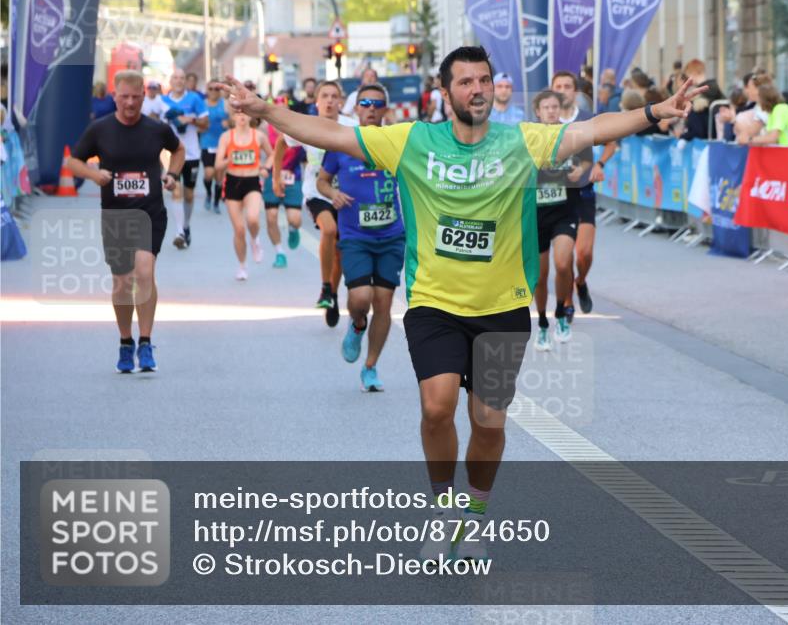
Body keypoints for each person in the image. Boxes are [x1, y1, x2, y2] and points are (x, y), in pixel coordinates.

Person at [216, 44, 703, 563]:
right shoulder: (412, 141)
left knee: (489, 422)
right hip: (435, 303)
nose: (478, 89)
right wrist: (265, 110)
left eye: (484, 80)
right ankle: (443, 507)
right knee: (436, 408)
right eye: (466, 82)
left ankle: (473, 513)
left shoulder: (521, 142)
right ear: (445, 93)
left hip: (503, 306)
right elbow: (332, 134)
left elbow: (591, 130)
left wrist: (654, 112)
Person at [65, 70, 184, 373]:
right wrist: (95, 175)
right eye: (124, 97)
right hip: (116, 215)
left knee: (144, 272)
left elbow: (178, 150)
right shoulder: (100, 130)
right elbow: (73, 162)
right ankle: (125, 341)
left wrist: (172, 175)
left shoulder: (156, 129)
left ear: (144, 97)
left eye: (135, 97)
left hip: (150, 212)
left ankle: (145, 341)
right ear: (114, 97)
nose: (130, 103)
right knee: (122, 281)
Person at [318, 82, 405, 391]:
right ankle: (356, 325)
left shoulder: (398, 143)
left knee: (383, 303)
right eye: (365, 103)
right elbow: (322, 182)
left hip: (392, 236)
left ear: (384, 109)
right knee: (361, 299)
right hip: (355, 235)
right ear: (355, 108)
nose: (370, 108)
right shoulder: (342, 143)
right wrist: (333, 193)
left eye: (377, 104)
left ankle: (370, 367)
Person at [531, 90, 591, 349]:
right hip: (536, 214)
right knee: (541, 275)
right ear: (538, 112)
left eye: (555, 107)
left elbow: (588, 160)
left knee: (563, 264)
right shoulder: (529, 138)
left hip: (565, 210)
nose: (552, 111)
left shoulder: (571, 135)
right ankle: (543, 323)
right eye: (546, 107)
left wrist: (581, 170)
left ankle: (561, 315)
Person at [304, 80, 357, 326]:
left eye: (334, 96)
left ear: (340, 101)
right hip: (317, 192)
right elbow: (284, 142)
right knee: (329, 229)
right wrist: (276, 177)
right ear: (316, 101)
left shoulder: (351, 127)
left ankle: (333, 295)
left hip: (345, 195)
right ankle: (326, 286)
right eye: (324, 95)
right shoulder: (306, 125)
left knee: (340, 251)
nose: (329, 100)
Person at [551, 70, 601, 317]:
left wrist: (600, 165)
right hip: (556, 196)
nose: (562, 90)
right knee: (564, 256)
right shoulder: (545, 121)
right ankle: (568, 301)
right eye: (557, 86)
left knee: (584, 253)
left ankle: (580, 281)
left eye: (567, 86)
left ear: (575, 91)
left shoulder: (586, 118)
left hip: (583, 192)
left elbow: (611, 142)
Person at [214, 109, 273, 280]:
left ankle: (255, 240)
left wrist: (265, 168)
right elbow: (218, 165)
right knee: (239, 230)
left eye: (245, 113)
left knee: (253, 218)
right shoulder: (226, 137)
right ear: (233, 117)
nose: (241, 116)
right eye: (238, 114)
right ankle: (242, 266)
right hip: (232, 182)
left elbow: (272, 154)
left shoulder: (258, 136)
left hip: (252, 181)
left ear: (251, 116)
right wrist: (228, 159)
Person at [161, 68, 208, 250]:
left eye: (182, 78)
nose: (179, 81)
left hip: (192, 153)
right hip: (170, 153)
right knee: (176, 190)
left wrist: (191, 120)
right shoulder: (162, 101)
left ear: (186, 81)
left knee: (188, 195)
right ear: (170, 81)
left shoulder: (195, 99)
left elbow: (206, 124)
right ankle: (179, 231)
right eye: (175, 78)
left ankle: (186, 225)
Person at [265, 100, 306, 269]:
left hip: (292, 178)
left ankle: (292, 229)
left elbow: (306, 158)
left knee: (295, 219)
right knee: (271, 216)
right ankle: (279, 252)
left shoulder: (297, 132)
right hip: (271, 177)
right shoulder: (266, 131)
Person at [746, 82, 788, 147]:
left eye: (758, 97)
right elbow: (770, 138)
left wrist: (749, 139)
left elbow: (772, 138)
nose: (757, 101)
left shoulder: (780, 109)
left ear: (765, 99)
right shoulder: (774, 112)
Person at [200, 81, 228, 214]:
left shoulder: (225, 104)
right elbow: (196, 122)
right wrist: (201, 126)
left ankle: (216, 202)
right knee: (209, 173)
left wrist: (229, 123)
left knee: (219, 176)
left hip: (222, 144)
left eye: (216, 89)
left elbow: (235, 121)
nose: (213, 91)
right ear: (207, 90)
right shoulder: (202, 104)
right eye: (210, 89)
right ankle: (208, 193)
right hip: (207, 143)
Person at [679, 59, 725, 140]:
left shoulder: (701, 94)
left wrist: (682, 137)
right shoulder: (715, 90)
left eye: (688, 75)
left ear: (693, 73)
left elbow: (697, 130)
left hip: (706, 138)